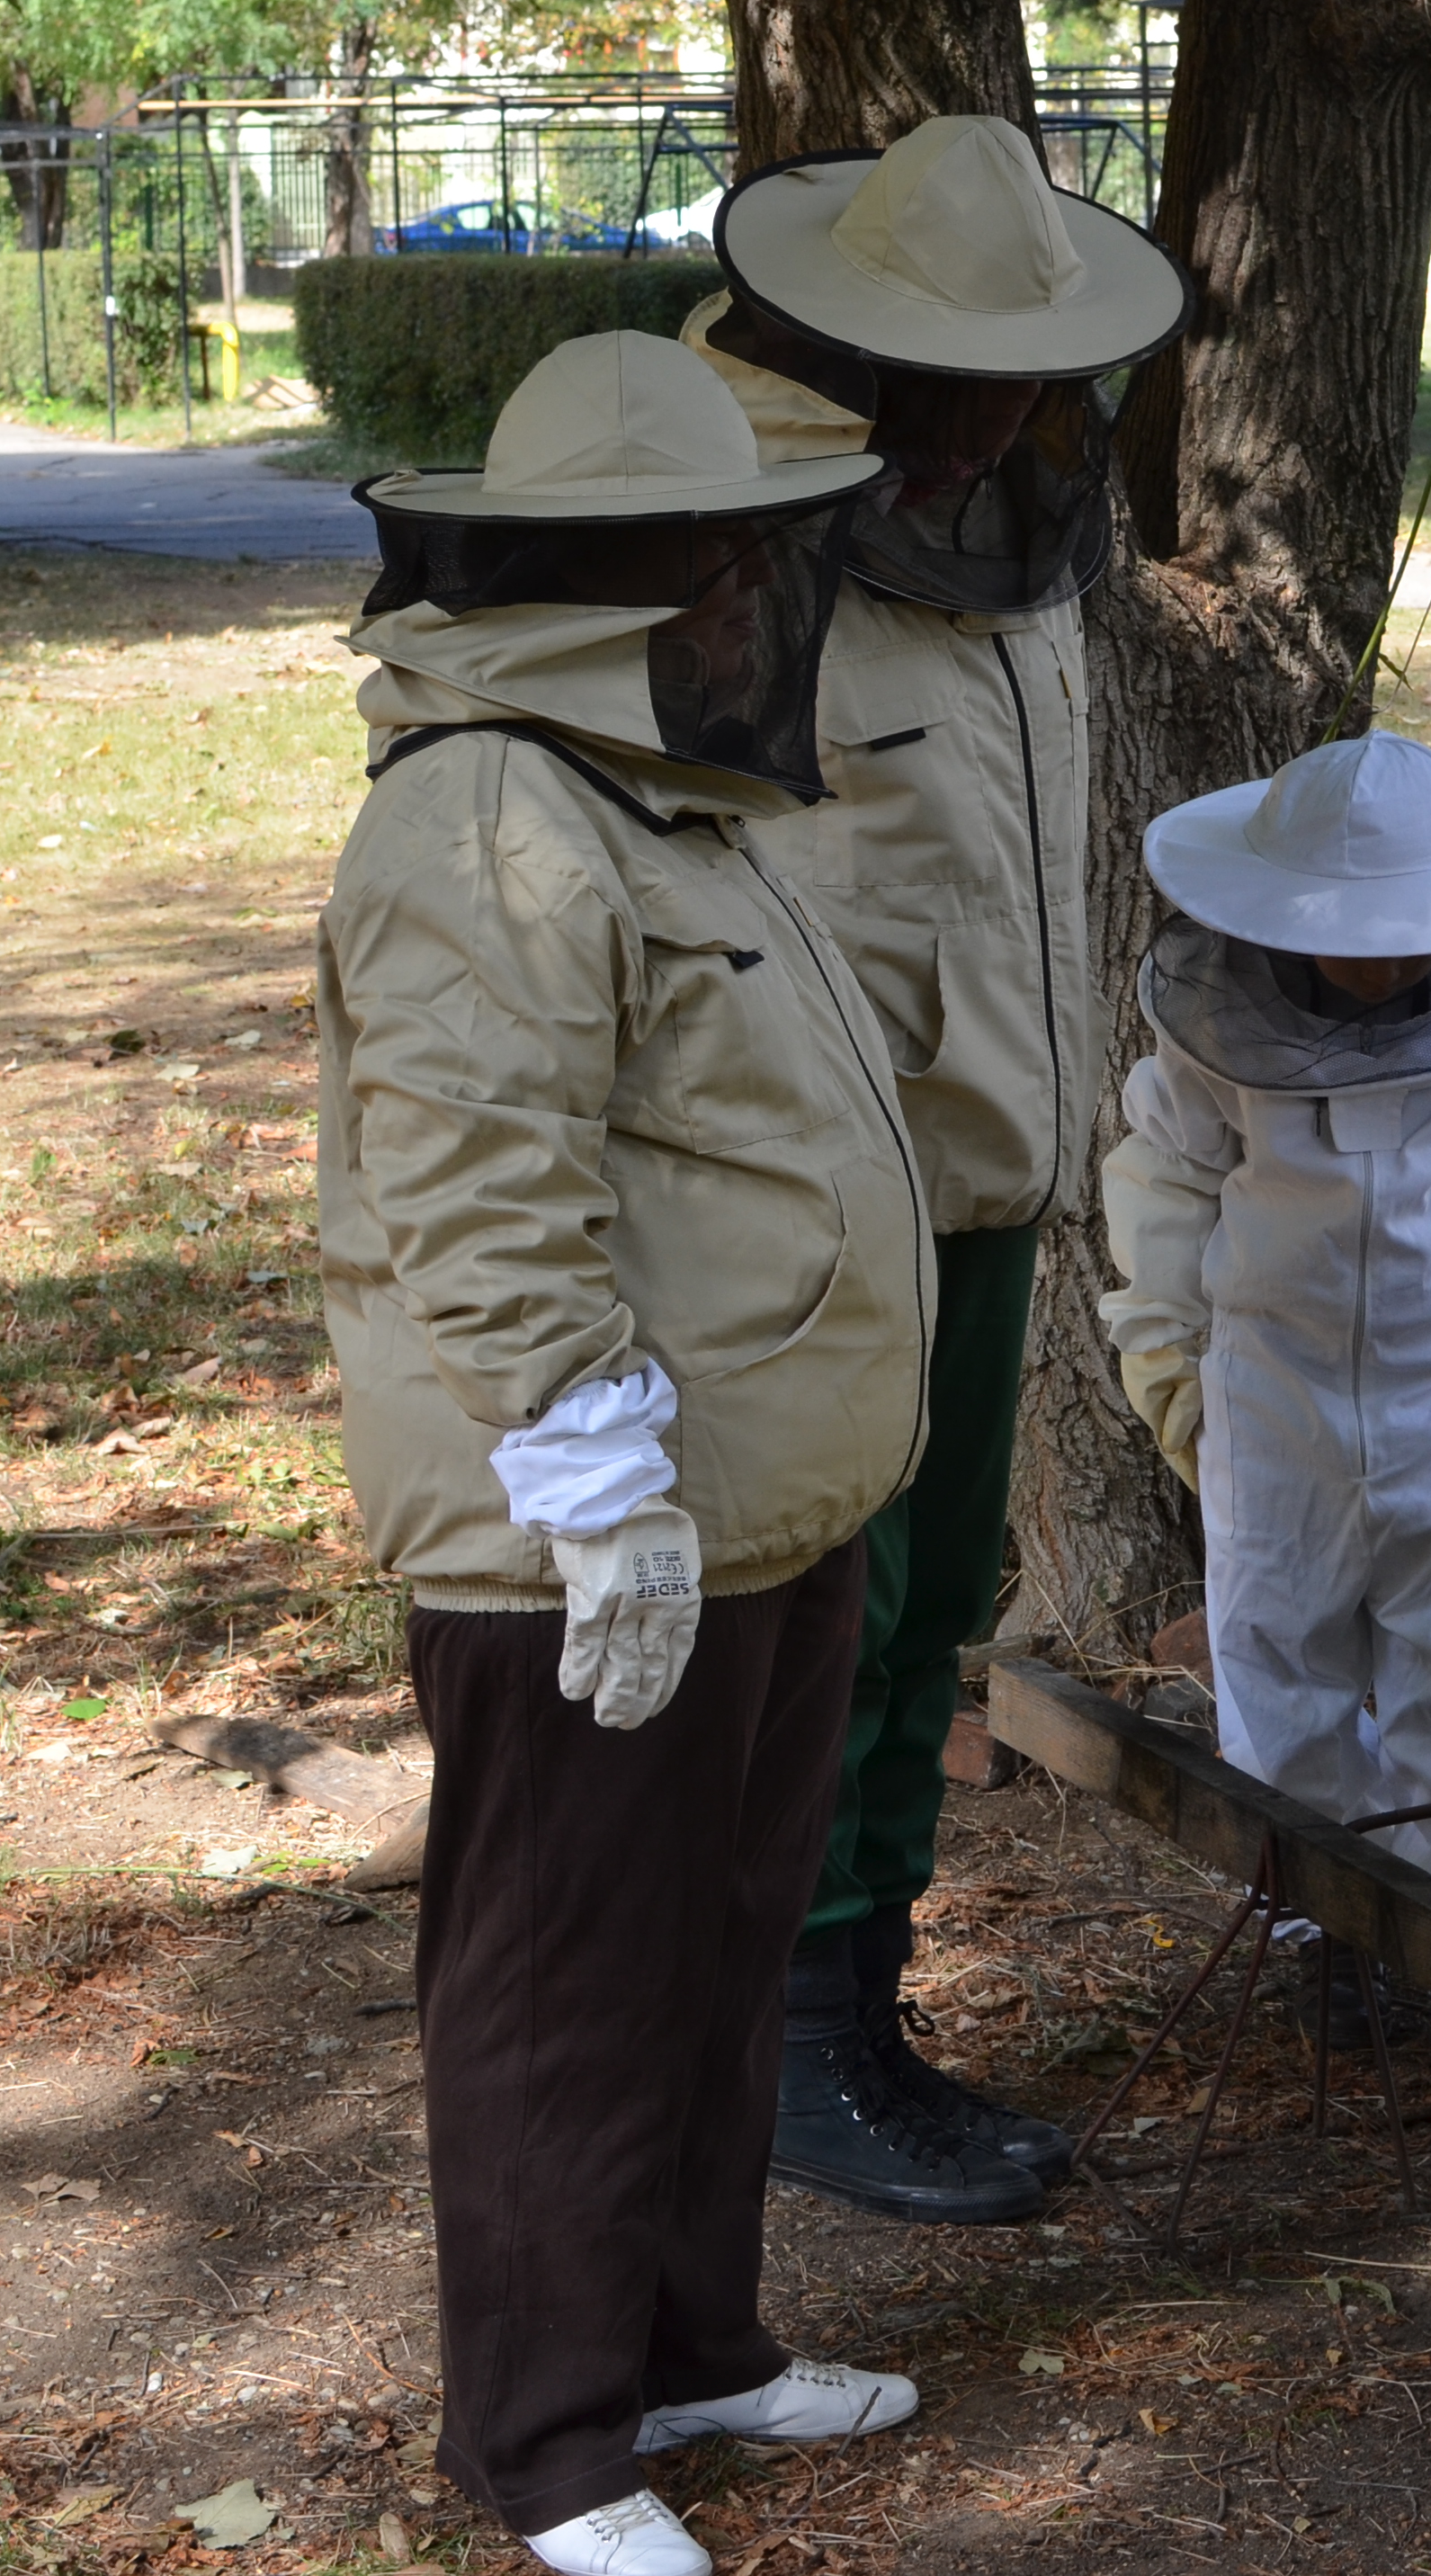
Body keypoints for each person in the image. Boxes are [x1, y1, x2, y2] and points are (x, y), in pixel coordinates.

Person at [318, 332, 933, 2576]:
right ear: (639, 570)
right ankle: (554, 2444)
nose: (760, 607)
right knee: (572, 1971)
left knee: (713, 1937)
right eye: (728, 563)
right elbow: (483, 1177)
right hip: (583, 1530)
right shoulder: (486, 813)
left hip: (749, 1505)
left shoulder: (647, 789)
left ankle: (687, 2345)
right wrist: (595, 1485)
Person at [684, 112, 1190, 2225]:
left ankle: (856, 2019)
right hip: (803, 1198)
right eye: (954, 384)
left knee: (923, 1626)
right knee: (831, 1615)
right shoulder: (724, 531)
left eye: (1022, 382)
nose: (991, 427)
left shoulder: (1023, 537)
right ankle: (788, 2044)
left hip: (982, 1171)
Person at [1098, 735, 1431, 2033]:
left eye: (1403, 934)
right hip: (1271, 1382)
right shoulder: (1212, 1024)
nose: (1379, 960)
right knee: (1277, 1655)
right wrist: (1165, 1354)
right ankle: (1320, 1936)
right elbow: (1166, 1183)